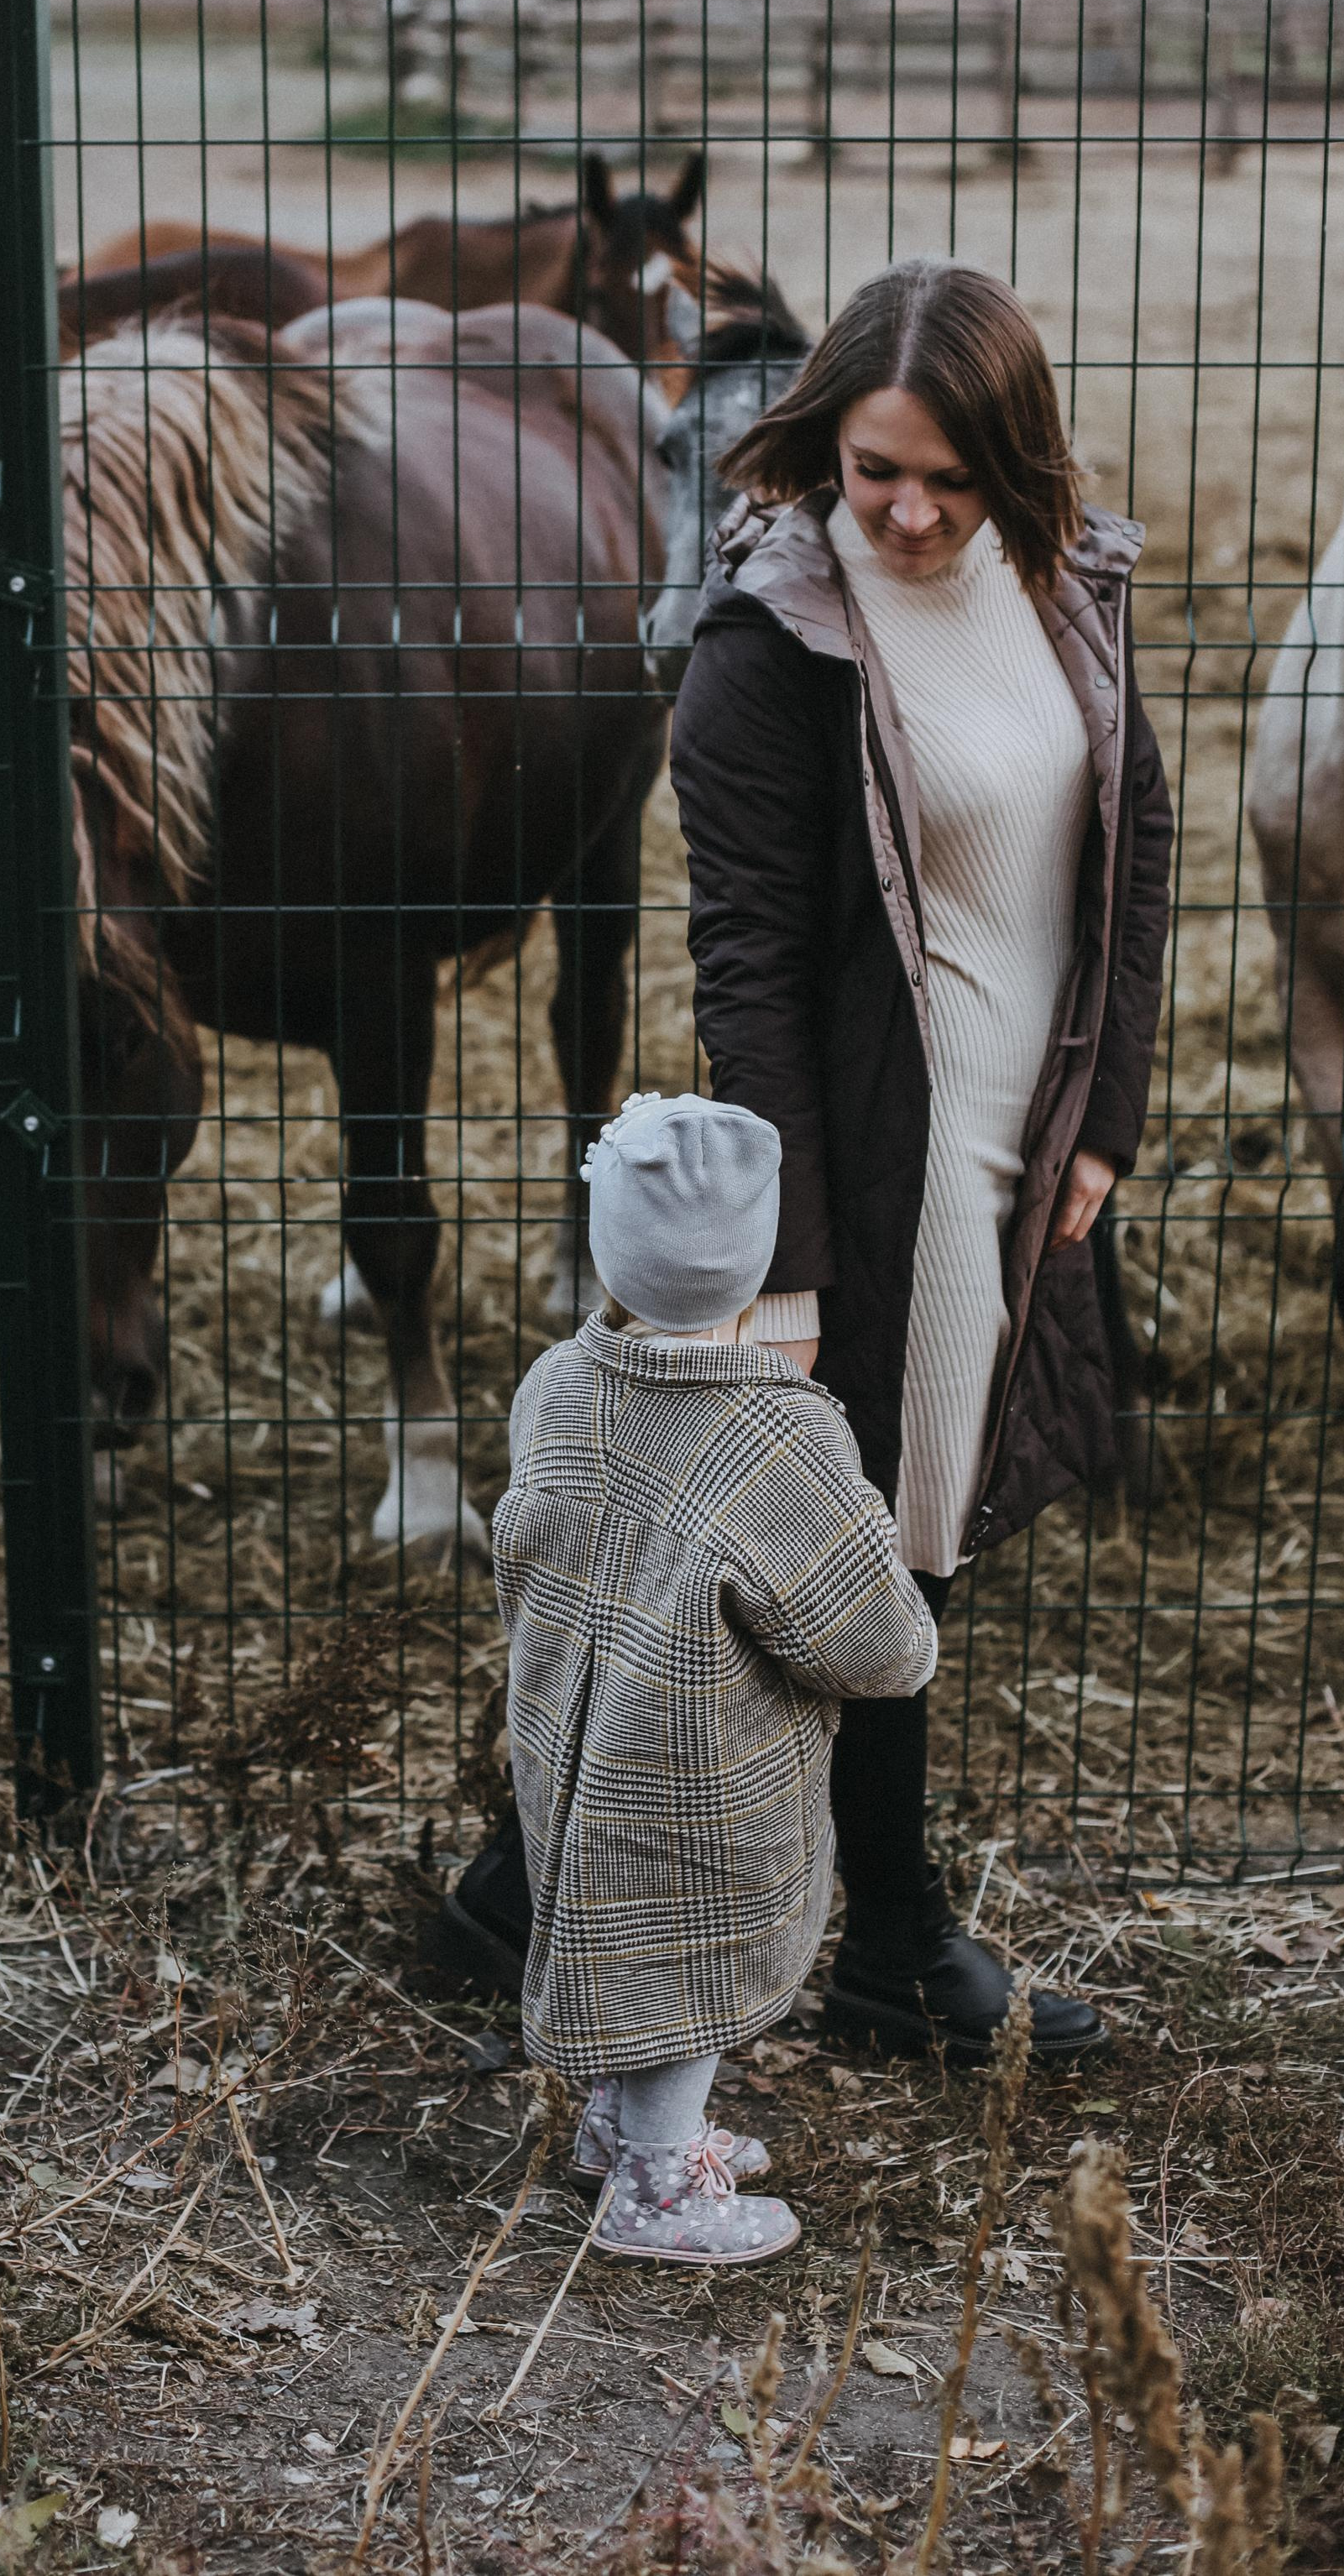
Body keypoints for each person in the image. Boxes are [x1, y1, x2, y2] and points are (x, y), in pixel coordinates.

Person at [438, 257, 1170, 2064]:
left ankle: (520, 1891)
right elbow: (746, 968)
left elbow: (1133, 838)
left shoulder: (1067, 579)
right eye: (873, 471)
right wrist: (791, 1254)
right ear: (820, 449)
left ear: (1017, 453)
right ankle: (899, 1954)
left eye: (948, 472)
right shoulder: (771, 646)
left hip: (1022, 1128)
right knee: (872, 1544)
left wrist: (1113, 1121)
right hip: (874, 1146)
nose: (911, 511)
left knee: (858, 1532)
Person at [494, 1089, 937, 2265]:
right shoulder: (777, 1436)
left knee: (611, 1924)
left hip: (571, 1737)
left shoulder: (555, 1387)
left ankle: (617, 2117)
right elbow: (878, 1646)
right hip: (706, 1771)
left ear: (605, 1245)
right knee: (693, 1950)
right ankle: (655, 2183)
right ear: (754, 1265)